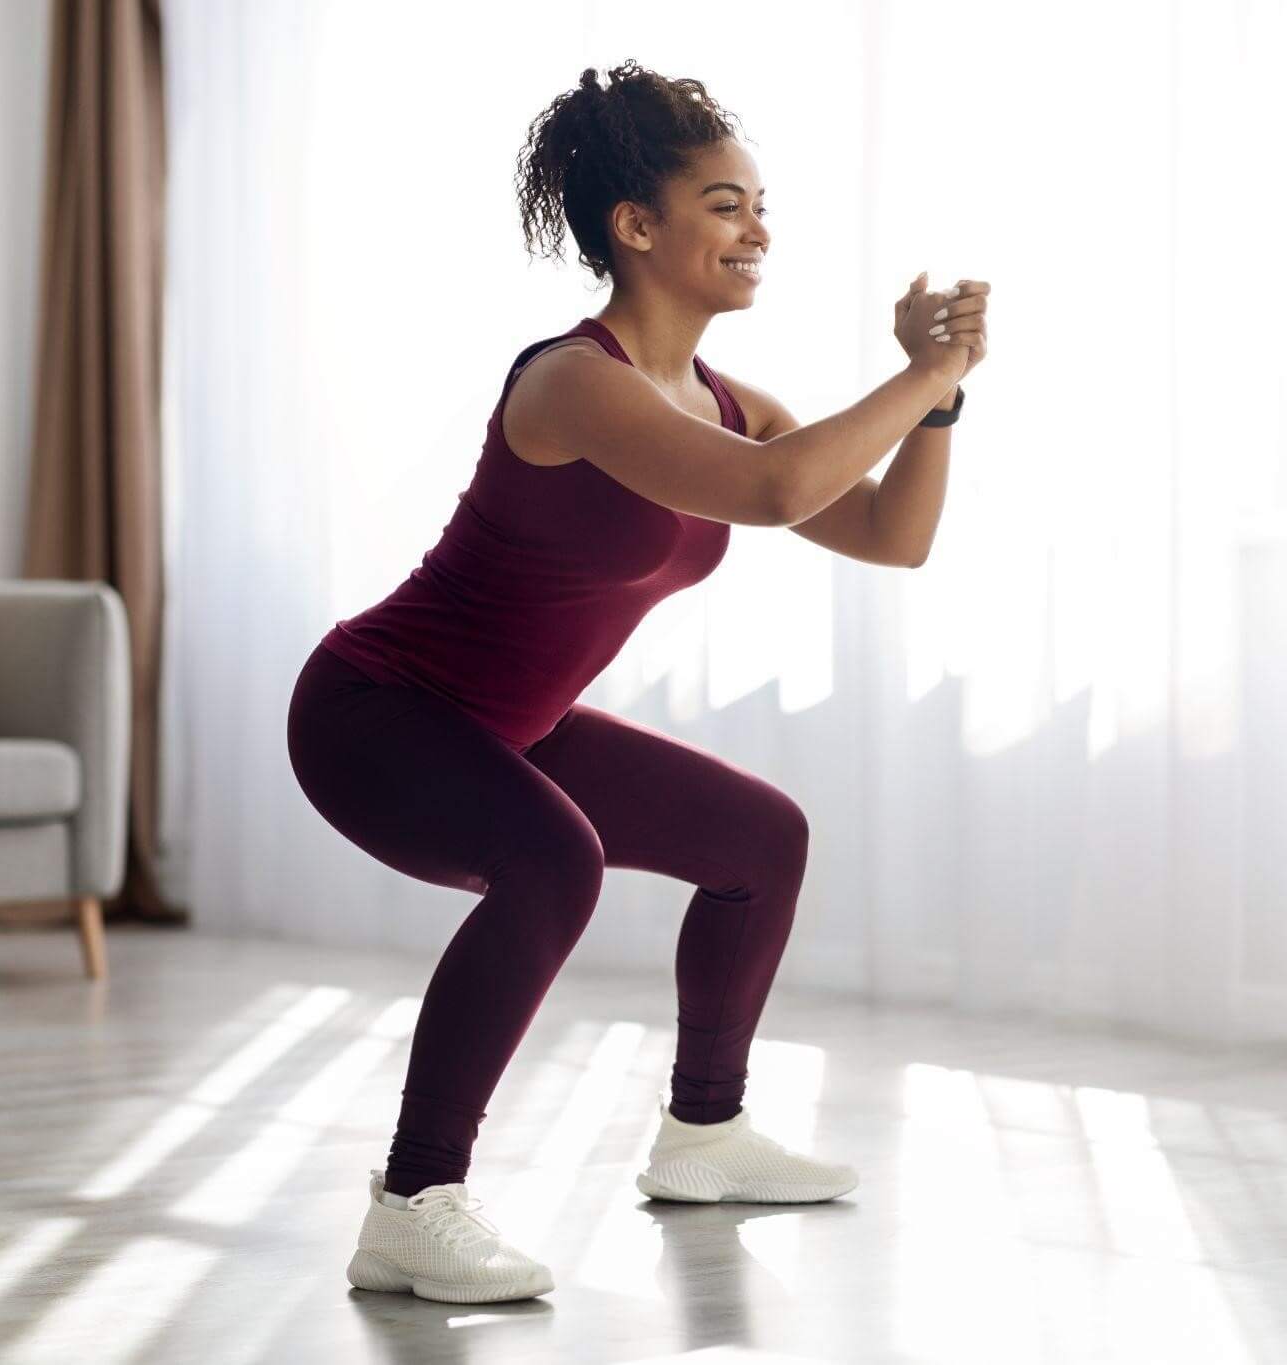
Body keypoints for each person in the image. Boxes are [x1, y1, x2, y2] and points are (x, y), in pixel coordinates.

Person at [287, 58, 986, 1304]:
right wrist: (917, 375)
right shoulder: (573, 381)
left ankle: (704, 1139)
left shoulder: (720, 399)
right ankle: (411, 1202)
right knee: (552, 861)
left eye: (759, 205)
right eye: (726, 205)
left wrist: (940, 405)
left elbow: (890, 536)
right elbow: (771, 495)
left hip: (511, 727)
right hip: (375, 714)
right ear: (636, 226)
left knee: (759, 839)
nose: (758, 230)